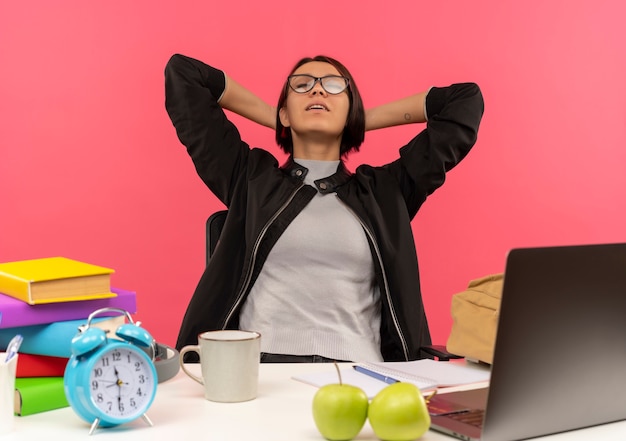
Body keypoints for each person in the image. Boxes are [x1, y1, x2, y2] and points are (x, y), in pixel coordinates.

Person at [165, 53, 484, 363]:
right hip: (263, 372)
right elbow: (184, 75)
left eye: (333, 86)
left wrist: (357, 120)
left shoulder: (386, 191)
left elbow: (464, 101)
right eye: (301, 86)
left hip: (360, 373)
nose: (317, 89)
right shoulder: (251, 179)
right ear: (285, 112)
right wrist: (278, 118)